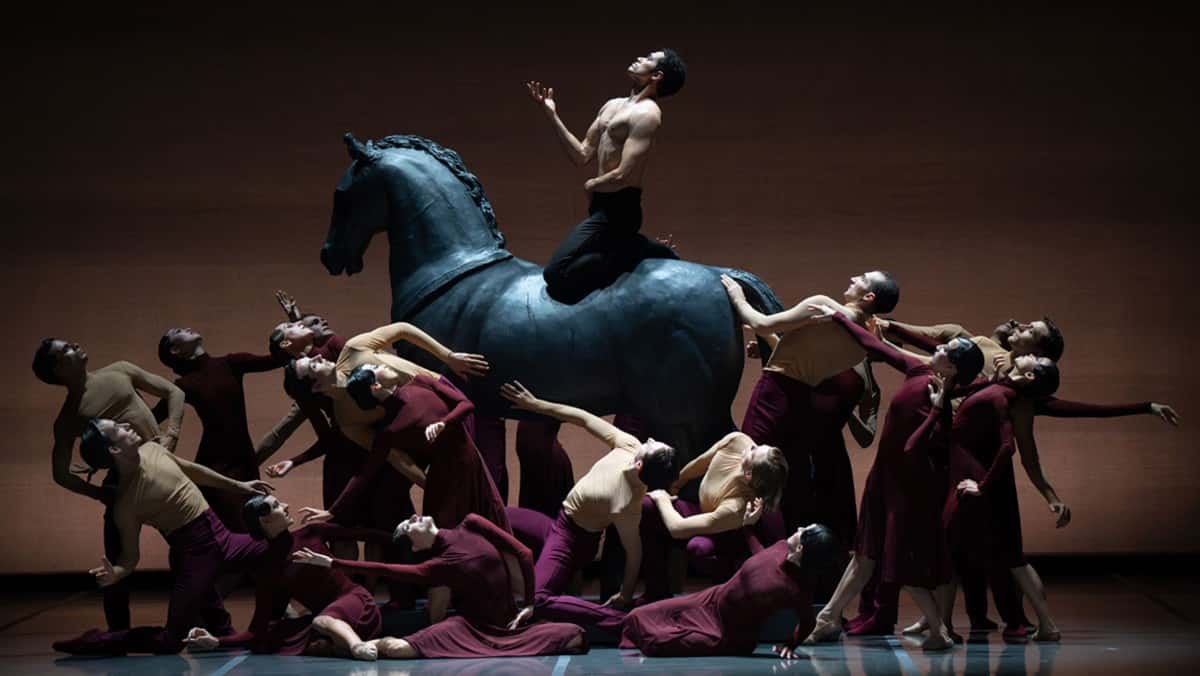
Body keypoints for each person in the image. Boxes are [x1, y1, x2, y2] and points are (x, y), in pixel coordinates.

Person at [804, 308, 985, 651]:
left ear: (953, 367)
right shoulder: (918, 369)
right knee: (865, 555)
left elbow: (913, 448)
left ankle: (938, 630)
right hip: (884, 478)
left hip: (911, 488)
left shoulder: (940, 403)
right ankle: (828, 618)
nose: (939, 348)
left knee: (893, 559)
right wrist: (841, 320)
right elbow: (877, 345)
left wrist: (936, 407)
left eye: (948, 349)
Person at [52, 419, 272, 655]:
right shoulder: (126, 504)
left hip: (223, 537)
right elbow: (129, 557)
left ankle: (240, 629)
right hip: (195, 558)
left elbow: (191, 470)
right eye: (119, 428)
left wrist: (239, 486)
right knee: (170, 642)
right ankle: (98, 641)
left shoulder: (152, 449)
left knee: (283, 549)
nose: (127, 424)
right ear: (114, 449)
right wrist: (116, 573)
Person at [721, 272, 895, 540]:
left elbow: (761, 322)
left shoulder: (822, 304)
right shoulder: (860, 347)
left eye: (862, 278)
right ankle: (786, 549)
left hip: (774, 393)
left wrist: (736, 295)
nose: (853, 277)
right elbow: (805, 357)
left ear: (869, 296)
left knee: (751, 470)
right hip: (798, 404)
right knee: (782, 480)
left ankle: (751, 550)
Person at [33, 338, 185, 631]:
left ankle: (214, 623)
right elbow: (60, 473)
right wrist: (101, 494)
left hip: (160, 471)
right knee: (116, 561)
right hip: (123, 483)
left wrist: (171, 435)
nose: (75, 345)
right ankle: (118, 633)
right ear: (58, 368)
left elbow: (174, 391)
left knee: (193, 545)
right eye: (65, 349)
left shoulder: (119, 370)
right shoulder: (68, 417)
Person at [500, 381, 678, 630]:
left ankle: (623, 622)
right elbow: (583, 419)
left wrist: (625, 594)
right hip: (558, 522)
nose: (647, 439)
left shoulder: (627, 503)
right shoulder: (630, 445)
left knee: (539, 600)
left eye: (651, 445)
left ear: (640, 465)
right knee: (497, 515)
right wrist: (535, 405)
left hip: (573, 541)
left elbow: (634, 553)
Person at [294, 514, 588, 659]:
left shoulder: (471, 523)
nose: (413, 517)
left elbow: (523, 553)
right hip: (469, 627)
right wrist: (332, 563)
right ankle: (342, 648)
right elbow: (382, 568)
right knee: (396, 649)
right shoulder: (434, 566)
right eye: (408, 525)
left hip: (509, 624)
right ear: (415, 545)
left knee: (575, 636)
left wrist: (530, 604)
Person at [528, 49, 687, 303]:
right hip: (601, 206)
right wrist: (552, 115)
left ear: (656, 75)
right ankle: (634, 246)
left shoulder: (647, 114)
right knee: (579, 263)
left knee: (556, 272)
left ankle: (639, 248)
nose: (638, 58)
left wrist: (593, 183)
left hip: (620, 210)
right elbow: (581, 154)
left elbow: (624, 172)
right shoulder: (612, 105)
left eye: (647, 59)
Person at [182, 495, 385, 659]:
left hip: (356, 602)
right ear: (265, 520)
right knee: (279, 635)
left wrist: (402, 535)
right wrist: (217, 641)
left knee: (322, 621)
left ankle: (356, 646)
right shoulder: (269, 569)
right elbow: (257, 630)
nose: (286, 506)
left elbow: (363, 534)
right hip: (329, 617)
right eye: (277, 505)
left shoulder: (311, 532)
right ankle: (340, 644)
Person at [621, 524, 837, 657]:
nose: (799, 528)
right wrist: (747, 528)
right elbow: (761, 558)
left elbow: (808, 621)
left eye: (804, 532)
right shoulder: (781, 545)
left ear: (801, 549)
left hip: (726, 634)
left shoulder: (794, 589)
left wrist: (791, 644)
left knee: (656, 642)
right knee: (637, 616)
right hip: (711, 598)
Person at [157, 327, 283, 531]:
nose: (187, 327)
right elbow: (154, 416)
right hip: (215, 463)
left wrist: (292, 325)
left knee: (253, 520)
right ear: (174, 350)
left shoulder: (230, 363)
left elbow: (275, 360)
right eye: (178, 331)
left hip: (243, 458)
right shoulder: (183, 385)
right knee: (232, 523)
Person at [639, 431, 788, 601]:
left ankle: (719, 600)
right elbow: (699, 464)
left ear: (749, 475)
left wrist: (661, 497)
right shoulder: (738, 441)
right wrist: (674, 485)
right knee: (647, 507)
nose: (752, 445)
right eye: (759, 446)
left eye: (754, 451)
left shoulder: (737, 507)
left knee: (698, 546)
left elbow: (677, 529)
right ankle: (655, 592)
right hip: (704, 511)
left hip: (724, 531)